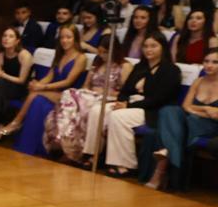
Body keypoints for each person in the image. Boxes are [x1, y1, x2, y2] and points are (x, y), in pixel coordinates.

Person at [84, 32, 181, 175]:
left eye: (153, 46)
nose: (149, 49)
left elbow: (159, 99)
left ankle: (125, 164)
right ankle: (94, 155)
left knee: (118, 117)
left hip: (152, 110)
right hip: (130, 104)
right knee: (97, 111)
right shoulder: (140, 67)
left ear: (163, 48)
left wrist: (128, 106)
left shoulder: (171, 70)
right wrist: (123, 101)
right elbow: (125, 90)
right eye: (146, 46)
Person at [0, 26, 87, 152]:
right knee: (36, 96)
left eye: (68, 37)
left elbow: (68, 81)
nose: (64, 40)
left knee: (35, 95)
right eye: (62, 37)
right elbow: (50, 75)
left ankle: (16, 122)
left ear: (75, 39)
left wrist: (42, 87)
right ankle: (27, 139)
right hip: (54, 91)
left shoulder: (81, 57)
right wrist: (37, 84)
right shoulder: (60, 55)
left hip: (70, 95)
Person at [44, 35, 130, 163]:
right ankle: (65, 140)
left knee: (76, 105)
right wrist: (87, 92)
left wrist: (108, 93)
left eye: (105, 52)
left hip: (108, 99)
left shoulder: (124, 66)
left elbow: (125, 92)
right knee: (69, 94)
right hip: (90, 95)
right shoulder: (97, 63)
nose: (101, 55)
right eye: (100, 51)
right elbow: (85, 85)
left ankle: (68, 144)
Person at [143, 49, 218, 189]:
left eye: (215, 62)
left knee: (178, 124)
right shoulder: (198, 81)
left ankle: (160, 168)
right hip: (190, 121)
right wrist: (206, 110)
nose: (209, 65)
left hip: (210, 126)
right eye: (206, 61)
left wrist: (197, 111)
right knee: (168, 110)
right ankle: (169, 157)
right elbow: (186, 106)